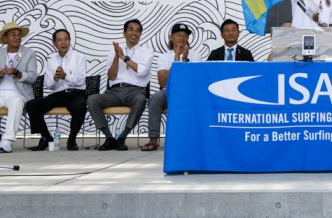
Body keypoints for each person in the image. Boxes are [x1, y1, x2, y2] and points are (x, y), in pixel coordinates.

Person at [87, 19, 153, 151]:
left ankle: (122, 137)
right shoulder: (114, 51)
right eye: (131, 29)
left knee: (141, 99)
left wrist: (124, 58)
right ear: (124, 33)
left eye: (138, 30)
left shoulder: (147, 52)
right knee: (92, 99)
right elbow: (111, 76)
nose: (134, 33)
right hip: (114, 92)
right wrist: (117, 57)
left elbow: (142, 71)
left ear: (140, 34)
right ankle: (109, 138)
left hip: (136, 91)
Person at [142, 23, 202, 151]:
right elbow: (163, 82)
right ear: (171, 37)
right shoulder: (164, 56)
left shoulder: (196, 55)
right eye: (178, 35)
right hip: (168, 91)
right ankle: (153, 139)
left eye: (185, 35)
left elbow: (194, 81)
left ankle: (194, 138)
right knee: (155, 98)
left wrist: (185, 61)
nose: (182, 38)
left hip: (188, 93)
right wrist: (176, 61)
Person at [26, 29, 87, 151]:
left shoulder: (79, 57)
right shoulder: (51, 59)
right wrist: (55, 78)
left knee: (80, 106)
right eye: (59, 40)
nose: (63, 43)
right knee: (32, 105)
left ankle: (71, 140)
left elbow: (81, 80)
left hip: (75, 94)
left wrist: (65, 76)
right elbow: (49, 85)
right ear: (54, 43)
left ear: (70, 41)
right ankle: (46, 138)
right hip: (58, 95)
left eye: (66, 39)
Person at [0, 22, 37, 153]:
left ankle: (7, 142)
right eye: (13, 35)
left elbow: (33, 77)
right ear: (5, 38)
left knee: (16, 103)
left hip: (18, 93)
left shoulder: (29, 53)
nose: (17, 37)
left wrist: (17, 72)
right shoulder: (0, 53)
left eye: (19, 35)